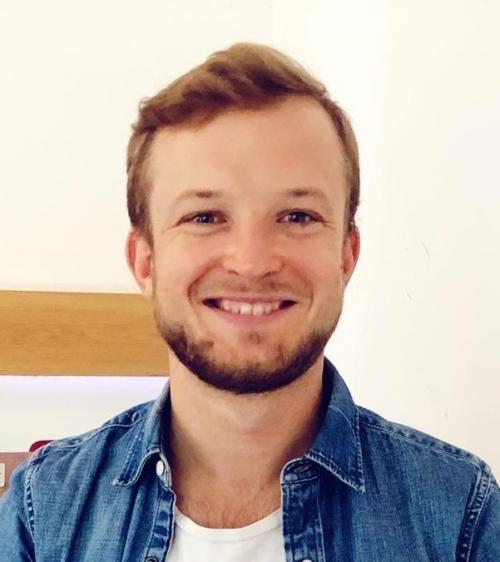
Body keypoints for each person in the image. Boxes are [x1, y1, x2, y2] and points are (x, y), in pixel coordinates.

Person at [0, 42, 498, 561]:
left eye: (298, 216)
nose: (252, 261)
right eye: (204, 217)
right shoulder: (43, 510)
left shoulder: (460, 516)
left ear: (346, 256)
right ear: (145, 262)